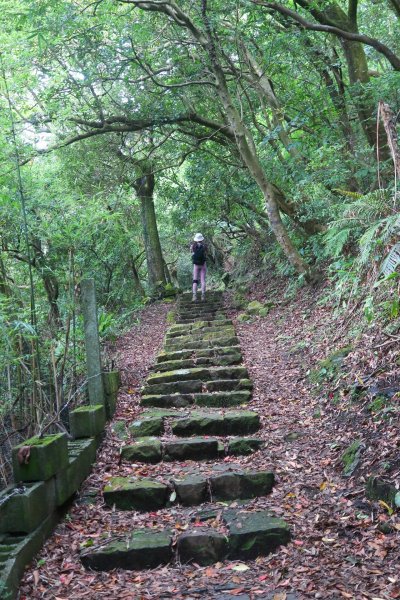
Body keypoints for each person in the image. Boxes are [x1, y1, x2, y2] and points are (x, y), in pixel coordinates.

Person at [190, 233, 207, 302]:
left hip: (196, 265)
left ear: (196, 239)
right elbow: (206, 255)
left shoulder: (192, 246)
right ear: (201, 239)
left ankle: (194, 296)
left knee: (195, 280)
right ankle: (203, 296)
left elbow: (192, 255)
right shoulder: (205, 246)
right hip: (203, 264)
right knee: (203, 280)